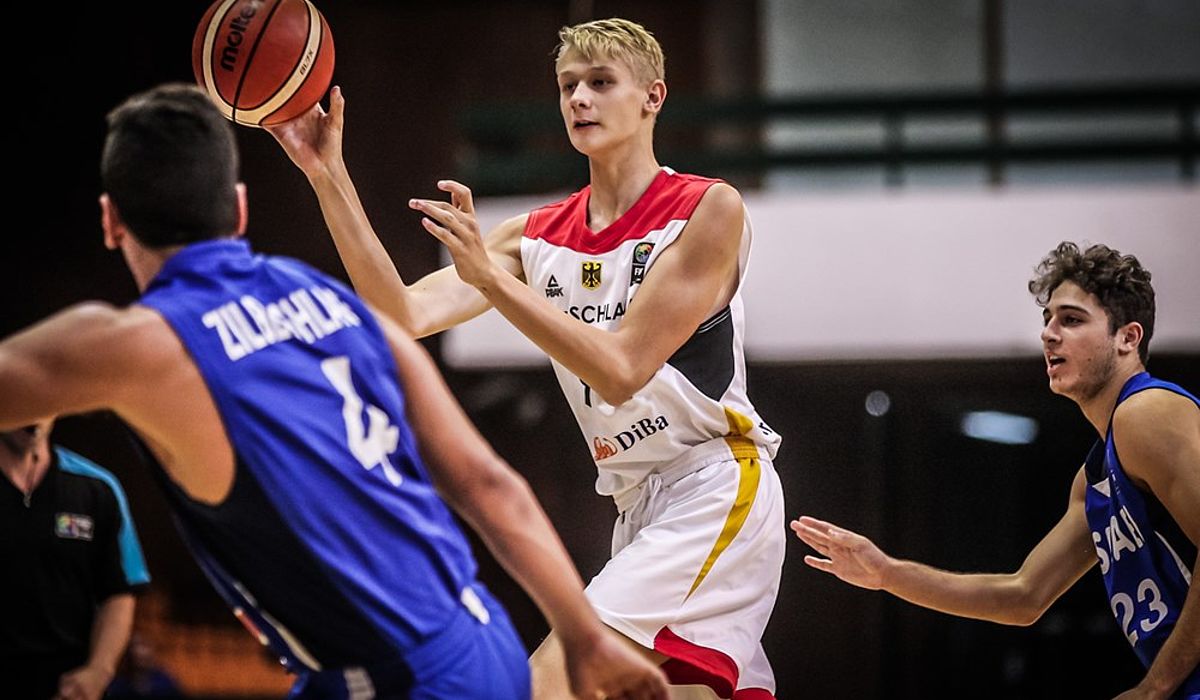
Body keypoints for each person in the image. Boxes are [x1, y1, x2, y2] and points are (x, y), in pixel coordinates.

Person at [0, 83, 667, 700]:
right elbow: (489, 485)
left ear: (111, 220)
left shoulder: (129, 344)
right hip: (482, 639)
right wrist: (581, 637)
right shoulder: (324, 295)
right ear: (238, 209)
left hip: (401, 681)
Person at [269, 16, 785, 700]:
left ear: (653, 97)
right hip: (635, 509)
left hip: (714, 488)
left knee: (544, 684)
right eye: (569, 85)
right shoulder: (535, 236)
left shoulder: (706, 209)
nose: (579, 99)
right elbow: (402, 313)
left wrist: (492, 281)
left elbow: (622, 368)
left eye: (601, 83)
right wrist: (327, 174)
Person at [793, 242, 1200, 699]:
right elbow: (1022, 596)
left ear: (1128, 337)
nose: (1049, 334)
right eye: (1047, 320)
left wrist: (1155, 687)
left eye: (1071, 319)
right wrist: (887, 573)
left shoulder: (1146, 412)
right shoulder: (1095, 476)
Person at [1, 420, 150, 700]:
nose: (34, 414)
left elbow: (119, 592)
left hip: (65, 688)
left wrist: (98, 672)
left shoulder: (98, 488)